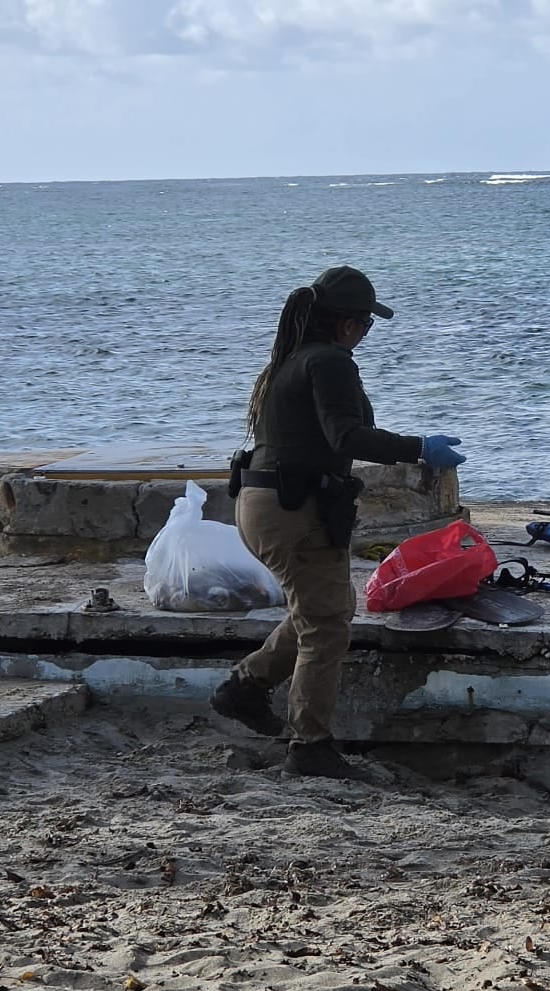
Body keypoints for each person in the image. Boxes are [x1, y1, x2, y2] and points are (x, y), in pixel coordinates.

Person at [209, 266, 467, 778]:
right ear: (348, 324)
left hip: (261, 505)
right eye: (367, 323)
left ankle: (244, 688)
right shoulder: (329, 363)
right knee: (326, 626)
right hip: (293, 512)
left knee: (321, 609)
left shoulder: (287, 362)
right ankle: (310, 746)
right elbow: (346, 437)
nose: (367, 333)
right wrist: (418, 449)